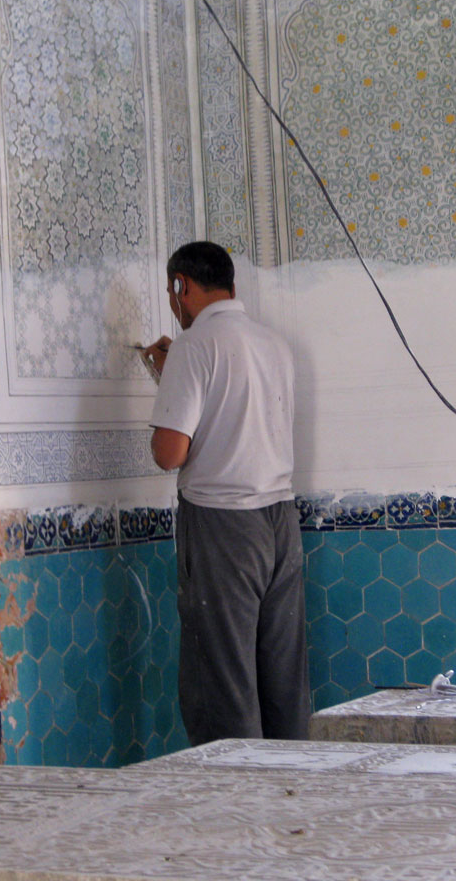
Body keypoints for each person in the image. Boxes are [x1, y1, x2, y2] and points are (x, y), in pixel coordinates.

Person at [141, 241, 310, 745]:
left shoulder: (194, 347)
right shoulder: (274, 345)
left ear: (181, 287)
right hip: (281, 524)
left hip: (223, 529)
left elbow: (170, 452)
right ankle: (293, 804)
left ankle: (237, 815)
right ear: (231, 287)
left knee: (224, 687)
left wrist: (169, 377)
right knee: (283, 681)